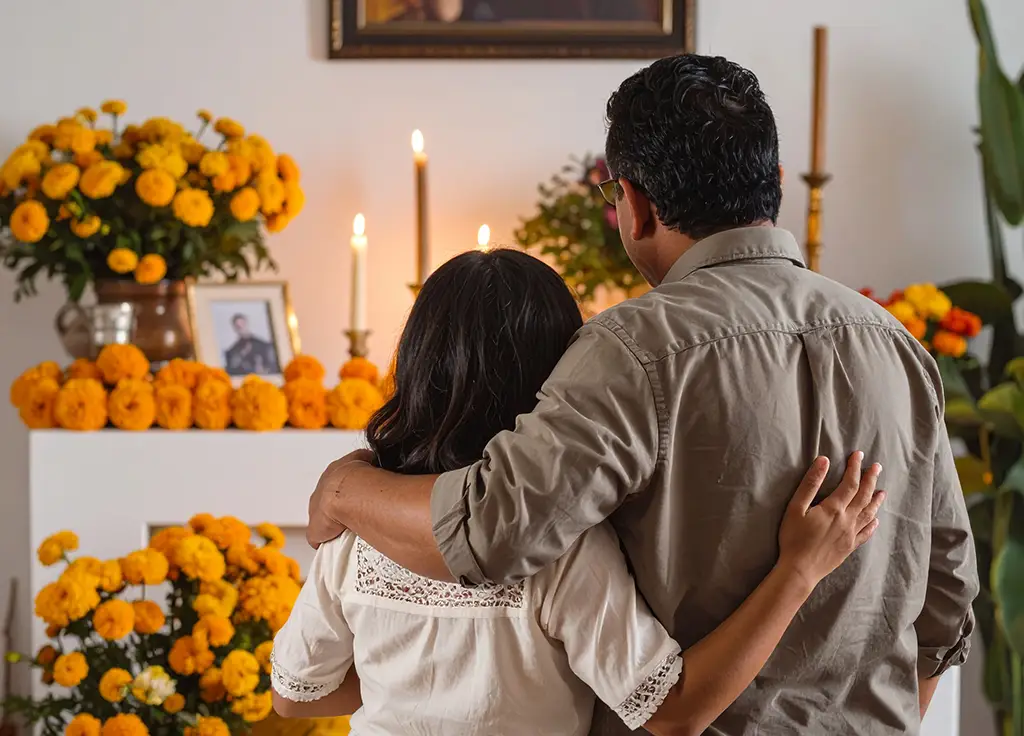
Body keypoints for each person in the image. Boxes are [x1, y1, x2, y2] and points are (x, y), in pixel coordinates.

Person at [307, 55, 979, 734]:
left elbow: (491, 533)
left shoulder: (632, 350)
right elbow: (947, 601)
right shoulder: (897, 346)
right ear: (775, 183)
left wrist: (341, 490)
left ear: (634, 204)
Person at [272, 250, 884, 735]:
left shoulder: (356, 525)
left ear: (416, 363)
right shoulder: (559, 547)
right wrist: (800, 569)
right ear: (559, 373)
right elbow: (672, 713)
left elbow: (296, 696)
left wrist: (400, 688)